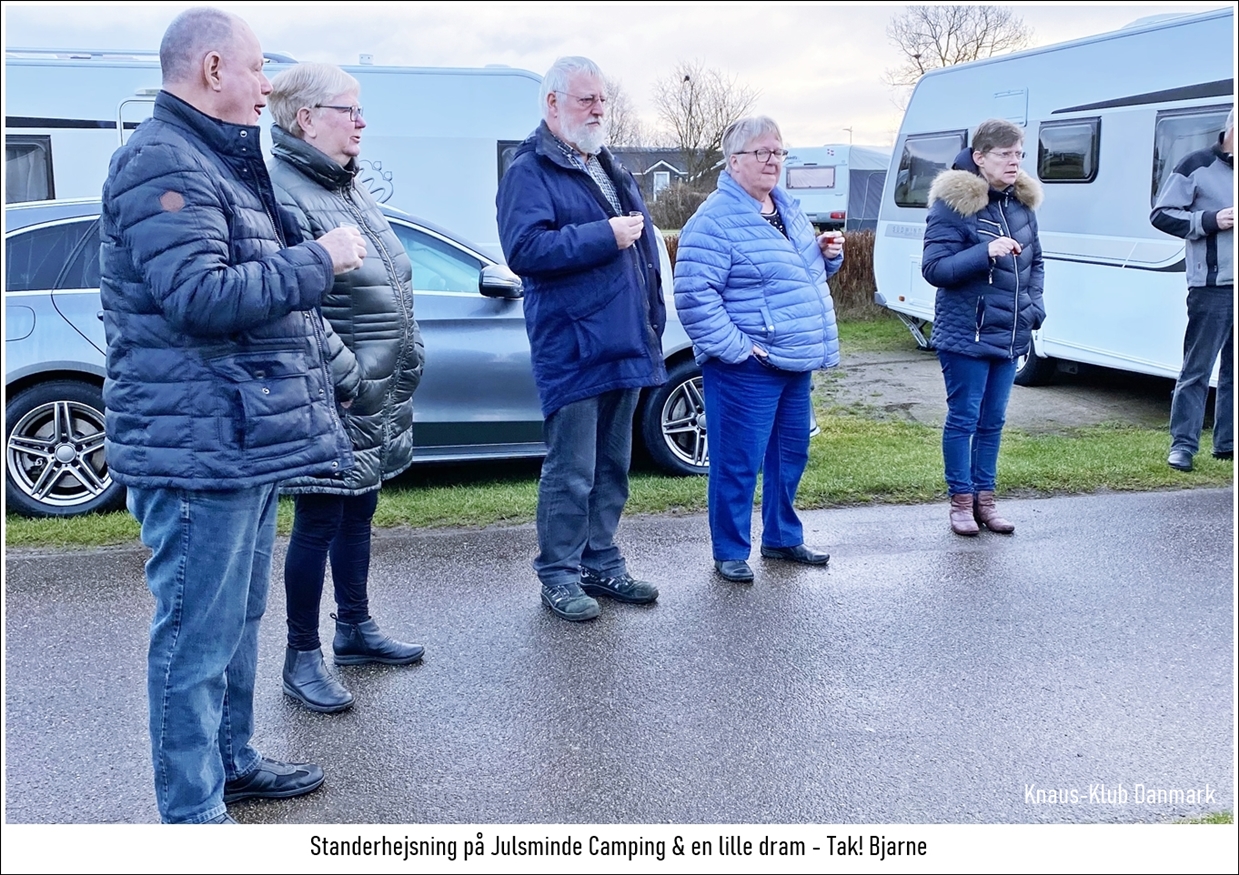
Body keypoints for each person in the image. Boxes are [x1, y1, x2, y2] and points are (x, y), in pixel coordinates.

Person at [101, 8, 366, 823]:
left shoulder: (218, 158)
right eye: (257, 70)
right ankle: (192, 812)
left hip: (239, 438)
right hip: (195, 448)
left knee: (235, 619)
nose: (267, 86)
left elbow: (249, 285)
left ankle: (232, 762)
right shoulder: (158, 161)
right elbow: (200, 296)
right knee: (193, 637)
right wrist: (320, 258)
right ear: (213, 68)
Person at [266, 63, 426, 712]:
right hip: (332, 392)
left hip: (372, 387)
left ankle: (354, 627)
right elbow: (296, 309)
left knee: (359, 506)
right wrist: (351, 377)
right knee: (319, 517)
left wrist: (407, 356)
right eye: (349, 110)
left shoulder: (344, 186)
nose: (361, 123)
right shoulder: (285, 190)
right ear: (306, 118)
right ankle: (300, 655)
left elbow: (385, 278)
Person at [495, 56, 665, 622]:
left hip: (623, 340)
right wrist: (603, 235)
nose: (597, 109)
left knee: (613, 465)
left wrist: (653, 320)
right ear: (552, 104)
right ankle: (560, 574)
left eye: (602, 100)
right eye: (585, 99)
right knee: (571, 469)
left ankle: (602, 560)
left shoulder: (606, 164)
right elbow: (526, 252)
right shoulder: (529, 170)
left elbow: (639, 254)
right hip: (572, 343)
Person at [673, 116, 841, 583]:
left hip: (794, 358)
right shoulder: (712, 221)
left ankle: (783, 538)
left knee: (791, 454)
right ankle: (729, 549)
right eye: (762, 153)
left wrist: (828, 255)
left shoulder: (787, 209)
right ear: (733, 161)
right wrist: (738, 350)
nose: (773, 162)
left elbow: (800, 277)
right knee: (737, 461)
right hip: (747, 366)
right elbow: (693, 295)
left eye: (779, 152)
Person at [921, 118, 1045, 536]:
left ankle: (986, 502)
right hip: (966, 333)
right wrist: (984, 252)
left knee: (993, 421)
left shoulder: (1021, 204)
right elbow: (935, 269)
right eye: (1005, 154)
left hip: (1010, 332)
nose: (1015, 163)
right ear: (979, 157)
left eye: (1019, 154)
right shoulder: (953, 203)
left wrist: (1033, 308)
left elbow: (1037, 263)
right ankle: (960, 502)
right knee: (964, 418)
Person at [1151, 108, 1234, 472]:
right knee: (1197, 369)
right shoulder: (1196, 165)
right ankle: (1182, 446)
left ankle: (1227, 443)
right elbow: (1161, 214)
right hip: (1212, 285)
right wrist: (1209, 220)